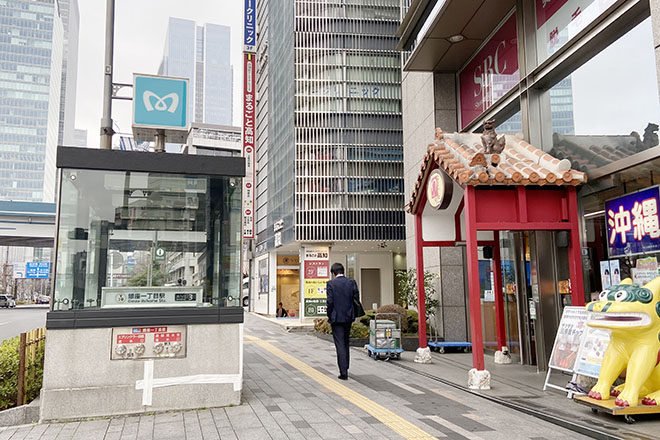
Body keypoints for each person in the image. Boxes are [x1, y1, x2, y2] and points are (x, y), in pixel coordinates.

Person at [326, 262, 359, 380]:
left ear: (333, 273)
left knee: (339, 344)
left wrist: (329, 314)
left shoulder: (331, 284)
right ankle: (346, 366)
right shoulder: (351, 282)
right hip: (348, 317)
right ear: (343, 271)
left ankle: (343, 371)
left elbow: (330, 302)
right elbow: (356, 299)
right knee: (346, 342)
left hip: (336, 318)